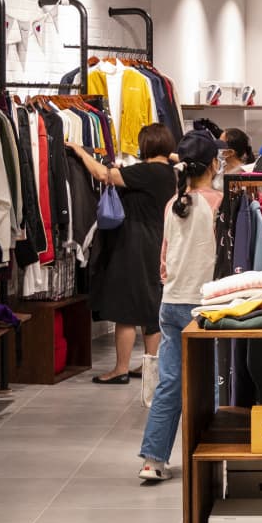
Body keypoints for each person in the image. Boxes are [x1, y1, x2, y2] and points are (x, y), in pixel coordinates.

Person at [137, 128, 223, 482]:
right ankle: (211, 454)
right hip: (204, 305)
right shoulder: (218, 202)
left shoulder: (173, 204)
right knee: (213, 382)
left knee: (170, 383)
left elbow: (164, 259)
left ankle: (153, 460)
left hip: (171, 302)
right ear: (214, 164)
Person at [70, 123, 178, 384]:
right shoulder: (168, 172)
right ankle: (150, 366)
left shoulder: (148, 171)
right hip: (155, 241)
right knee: (149, 307)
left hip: (135, 243)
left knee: (126, 308)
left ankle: (120, 369)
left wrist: (80, 151)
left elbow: (103, 175)